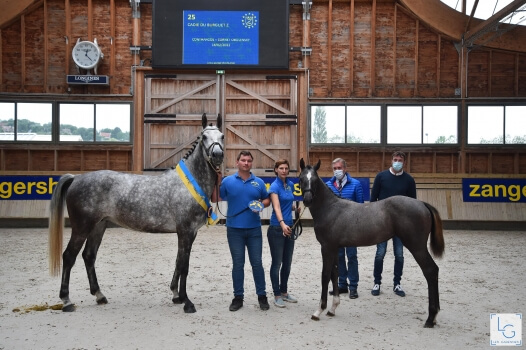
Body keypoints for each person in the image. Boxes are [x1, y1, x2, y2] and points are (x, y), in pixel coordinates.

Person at [219, 150, 271, 312]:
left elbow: (267, 199)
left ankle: (262, 296)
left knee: (257, 264)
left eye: (249, 160)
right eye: (243, 160)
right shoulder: (227, 182)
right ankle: (238, 297)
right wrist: (216, 179)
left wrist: (261, 205)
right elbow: (218, 197)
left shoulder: (259, 183)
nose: (246, 163)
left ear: (251, 163)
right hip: (234, 230)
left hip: (254, 229)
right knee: (238, 264)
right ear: (237, 162)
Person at [370, 151, 416, 297]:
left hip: (400, 225)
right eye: (395, 159)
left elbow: (412, 203)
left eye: (400, 160)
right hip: (382, 224)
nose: (397, 162)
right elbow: (373, 201)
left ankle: (397, 284)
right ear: (391, 160)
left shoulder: (409, 180)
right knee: (380, 254)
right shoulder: (381, 177)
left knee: (399, 254)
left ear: (404, 162)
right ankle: (377, 282)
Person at [325, 158, 364, 299]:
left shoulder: (355, 184)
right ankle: (342, 284)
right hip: (335, 229)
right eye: (334, 168)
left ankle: (353, 286)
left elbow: (361, 207)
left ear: (345, 169)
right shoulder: (328, 185)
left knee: (352, 256)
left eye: (339, 168)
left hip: (352, 229)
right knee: (339, 256)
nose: (337, 170)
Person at [267, 159, 300, 308]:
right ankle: (277, 294)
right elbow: (277, 207)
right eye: (281, 168)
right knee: (277, 263)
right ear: (276, 170)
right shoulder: (274, 187)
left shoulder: (290, 185)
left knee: (287, 262)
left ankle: (284, 292)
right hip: (277, 228)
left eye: (286, 168)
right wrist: (282, 224)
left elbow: (287, 204)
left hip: (290, 227)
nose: (284, 170)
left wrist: (294, 209)